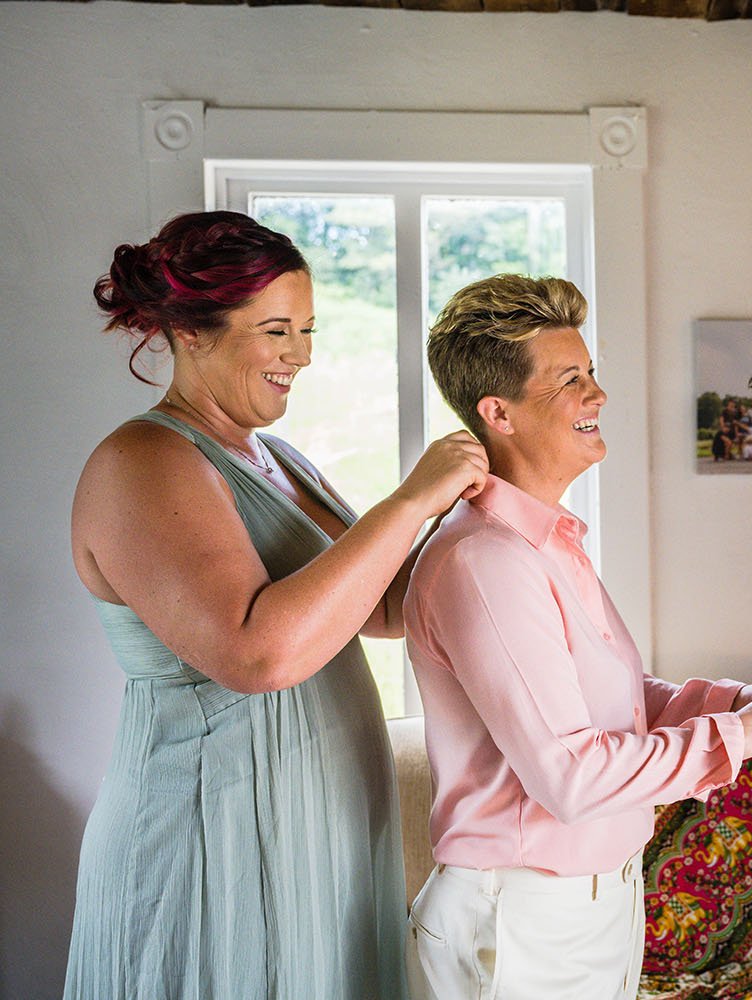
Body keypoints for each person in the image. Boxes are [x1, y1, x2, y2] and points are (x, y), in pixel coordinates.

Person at [65, 211, 490, 1000]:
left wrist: (496, 489)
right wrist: (411, 499)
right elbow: (259, 653)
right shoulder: (144, 460)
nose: (300, 353)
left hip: (318, 831)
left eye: (307, 329)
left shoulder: (277, 458)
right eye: (275, 329)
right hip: (210, 841)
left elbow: (386, 605)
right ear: (192, 333)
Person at [405, 273, 752, 1000]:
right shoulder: (486, 561)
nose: (597, 395)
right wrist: (741, 737)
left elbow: (620, 701)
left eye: (591, 373)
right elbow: (570, 777)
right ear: (497, 412)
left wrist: (743, 701)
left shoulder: (546, 541)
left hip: (587, 907)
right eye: (571, 379)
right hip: (527, 920)